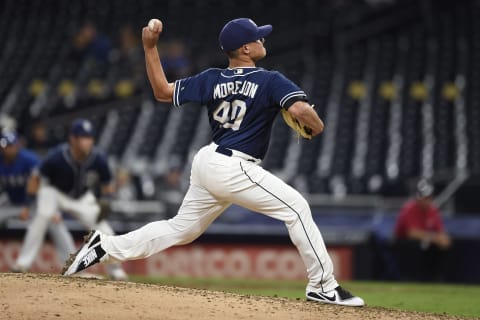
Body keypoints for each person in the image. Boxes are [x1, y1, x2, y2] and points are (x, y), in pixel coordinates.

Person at [62, 18, 364, 307]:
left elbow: (162, 92)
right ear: (245, 48)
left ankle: (103, 247)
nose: (262, 39)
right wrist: (316, 124)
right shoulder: (270, 79)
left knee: (181, 229)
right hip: (234, 166)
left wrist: (150, 48)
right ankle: (323, 287)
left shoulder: (211, 77)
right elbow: (300, 110)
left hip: (208, 161)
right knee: (296, 208)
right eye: (257, 36)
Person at [15, 119, 128, 280]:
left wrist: (106, 200)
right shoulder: (57, 155)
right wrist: (28, 205)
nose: (88, 141)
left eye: (90, 137)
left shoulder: (98, 158)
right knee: (42, 216)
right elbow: (36, 178)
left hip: (82, 198)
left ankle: (115, 270)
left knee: (105, 229)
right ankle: (21, 264)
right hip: (55, 193)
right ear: (73, 139)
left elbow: (107, 184)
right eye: (83, 137)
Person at [0, 130, 76, 272]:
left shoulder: (30, 160)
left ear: (18, 145)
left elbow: (45, 184)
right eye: (5, 147)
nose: (8, 149)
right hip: (11, 203)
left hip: (35, 203)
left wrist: (50, 208)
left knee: (54, 222)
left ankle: (74, 265)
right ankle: (22, 265)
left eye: (11, 146)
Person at [393, 180, 451, 281]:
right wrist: (434, 238)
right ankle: (410, 278)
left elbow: (441, 233)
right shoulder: (409, 208)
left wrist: (443, 239)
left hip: (423, 242)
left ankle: (436, 279)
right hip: (403, 244)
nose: (426, 200)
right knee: (416, 245)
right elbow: (412, 234)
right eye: (424, 198)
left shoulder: (433, 210)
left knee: (441, 246)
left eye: (429, 198)